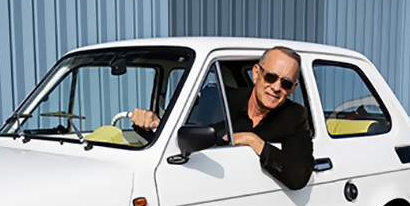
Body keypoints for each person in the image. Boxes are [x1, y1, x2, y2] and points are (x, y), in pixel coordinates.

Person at [131, 46, 314, 190]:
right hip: (204, 184)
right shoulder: (218, 99)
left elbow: (299, 177)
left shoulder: (295, 115)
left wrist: (253, 141)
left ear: (293, 89)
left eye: (286, 83)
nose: (276, 87)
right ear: (256, 73)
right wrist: (154, 124)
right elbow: (184, 134)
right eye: (271, 77)